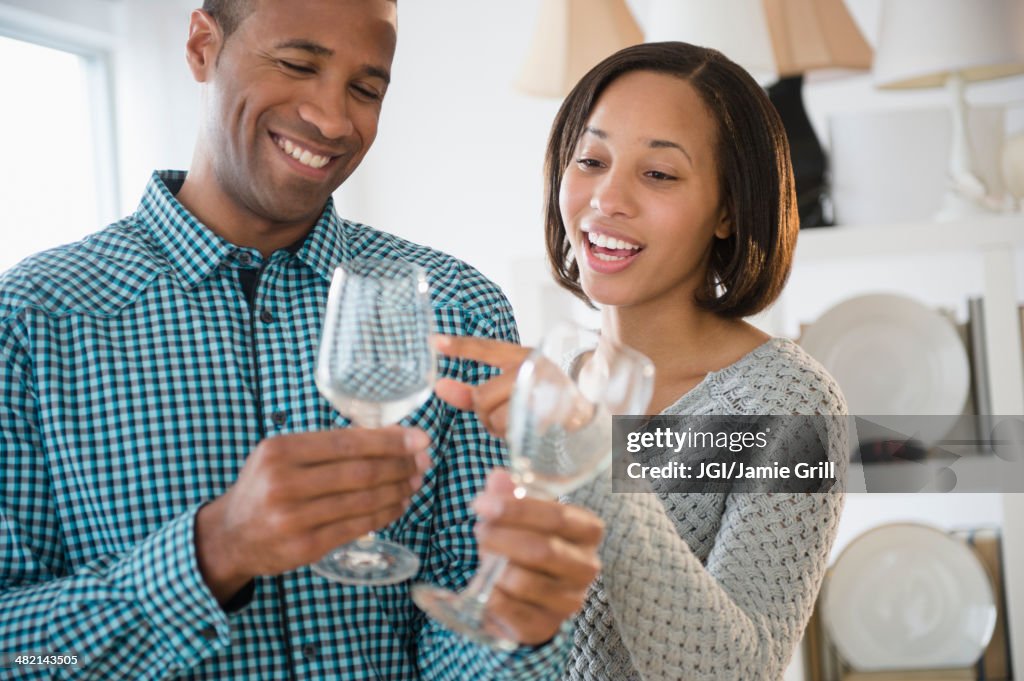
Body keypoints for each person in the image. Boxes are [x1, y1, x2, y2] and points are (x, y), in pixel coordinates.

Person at [0, 1, 603, 678]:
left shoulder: (460, 306)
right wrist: (214, 551)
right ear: (202, 46)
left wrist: (517, 630)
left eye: (366, 89)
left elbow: (466, 626)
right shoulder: (31, 318)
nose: (333, 119)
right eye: (296, 64)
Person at [434, 42, 848, 681]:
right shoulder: (552, 366)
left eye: (658, 174)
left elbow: (738, 672)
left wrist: (588, 454)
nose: (607, 198)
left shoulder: (788, 403)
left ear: (729, 210)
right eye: (591, 160)